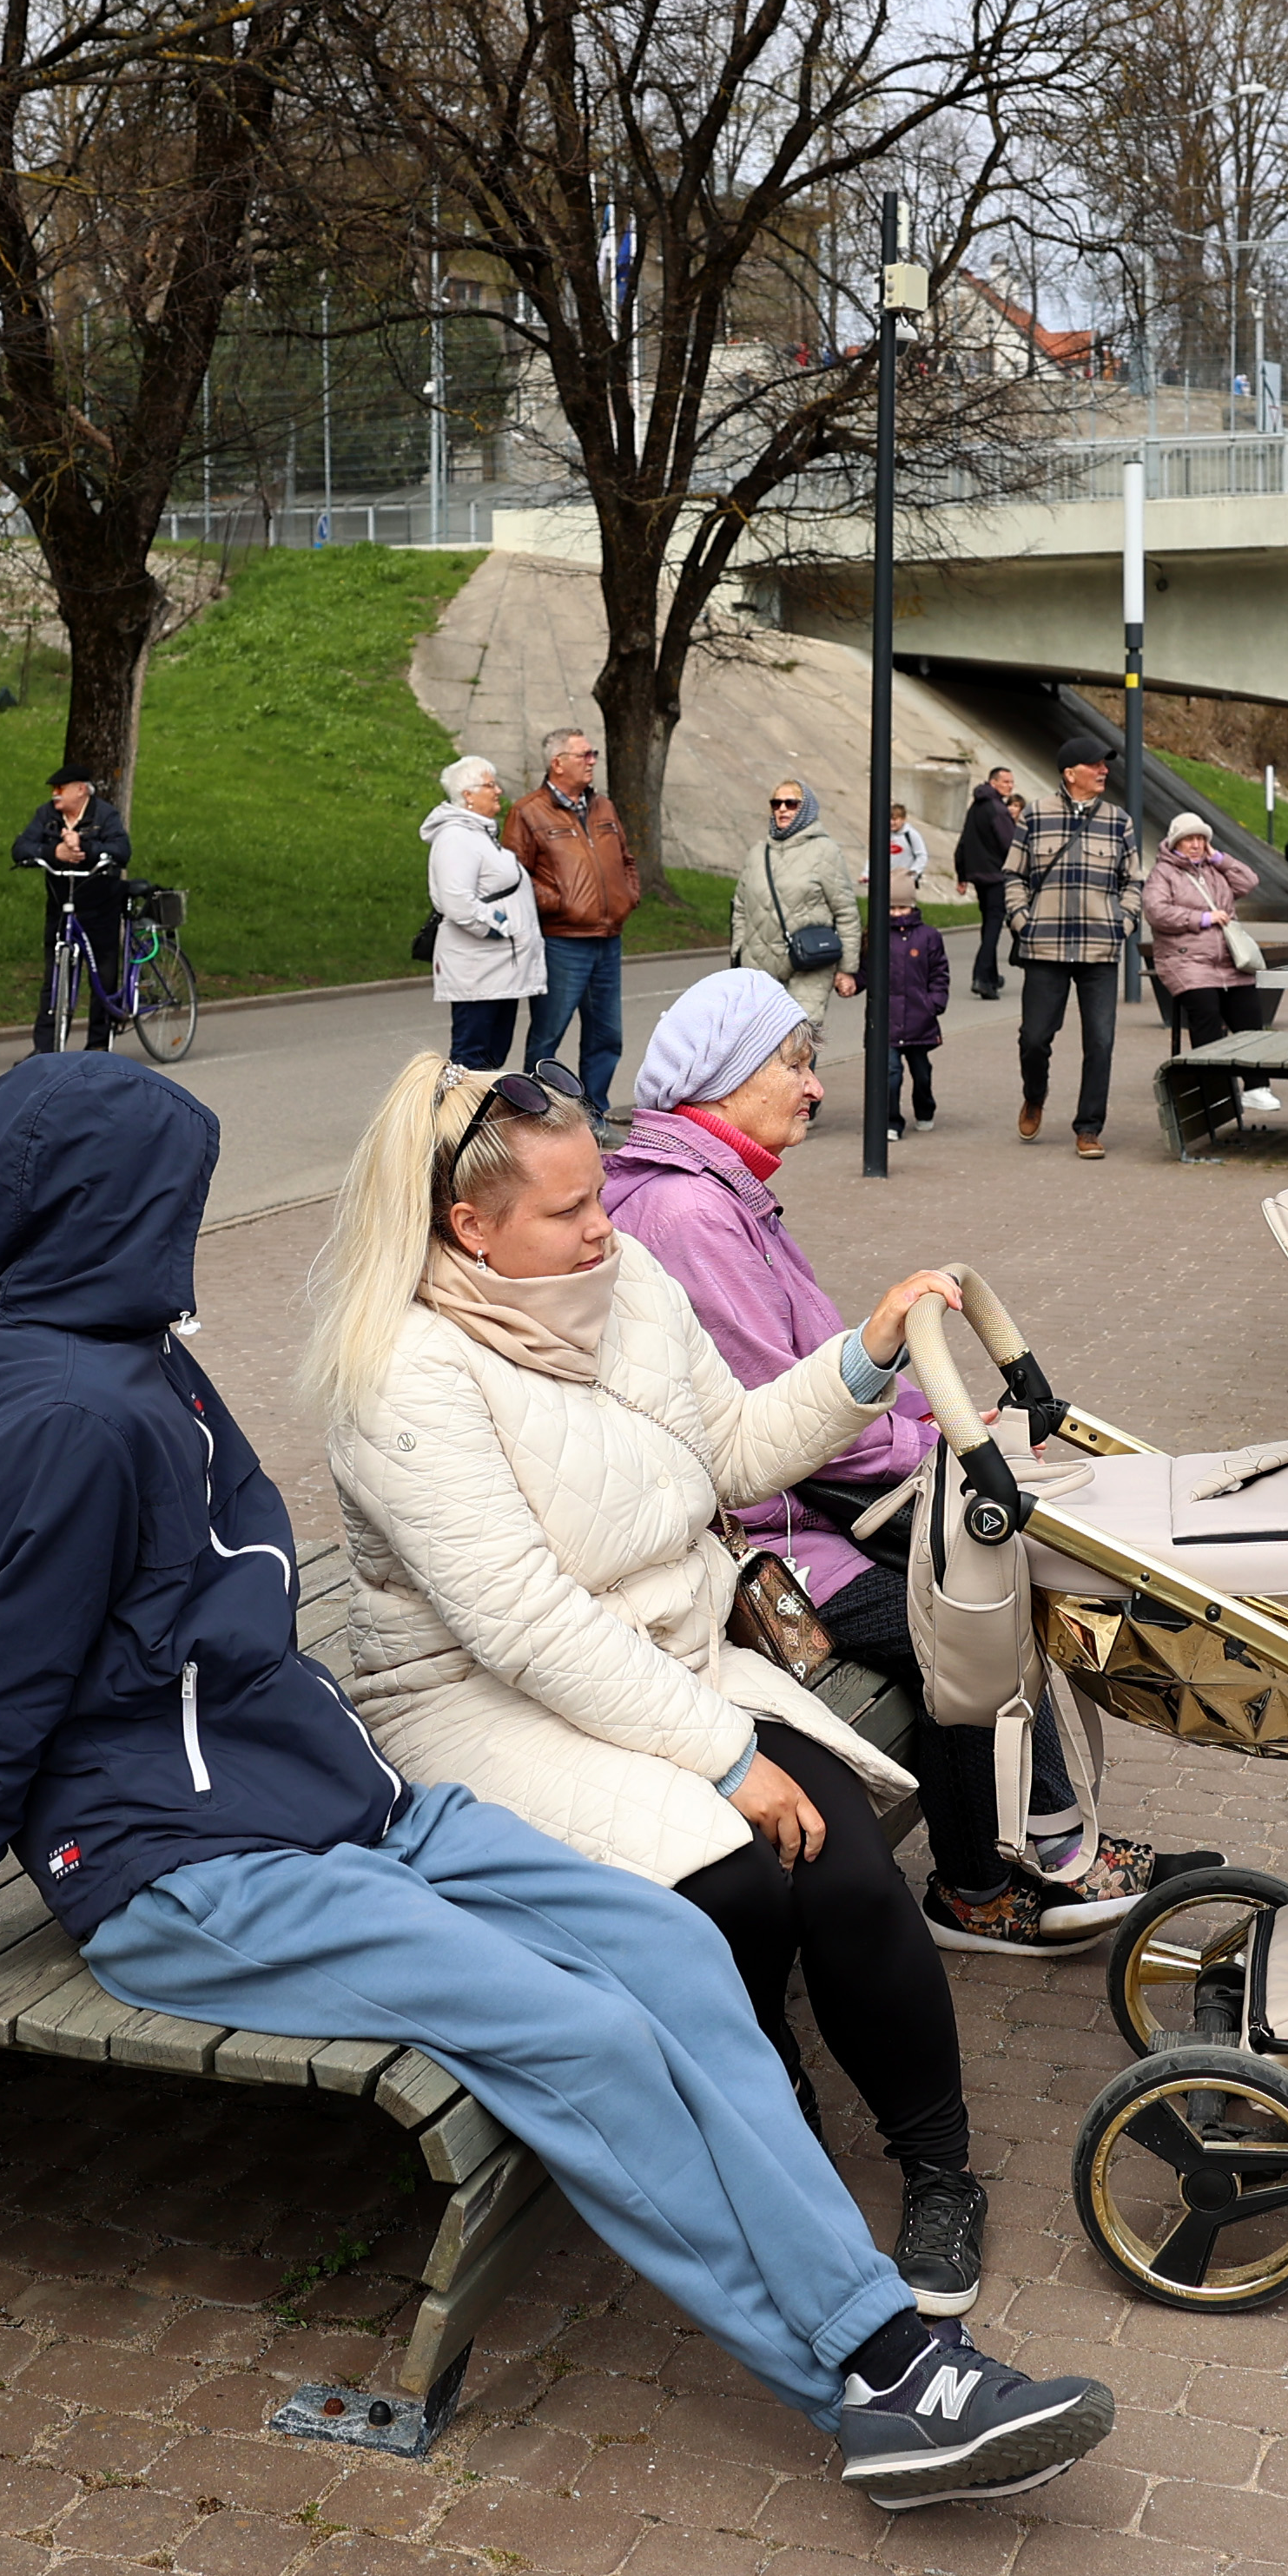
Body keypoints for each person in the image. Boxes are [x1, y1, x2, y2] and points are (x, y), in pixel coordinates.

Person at [0, 1054, 1116, 2509]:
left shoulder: (131, 1350)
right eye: (174, 1198)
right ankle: (878, 2376)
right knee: (580, 2031)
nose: (190, 1226)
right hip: (184, 1864)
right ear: (109, 1210)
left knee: (665, 1951)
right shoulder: (63, 1413)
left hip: (332, 1805)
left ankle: (875, 2332)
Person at [302, 1045, 1001, 2309]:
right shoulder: (401, 1370)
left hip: (663, 1658)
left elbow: (728, 1451)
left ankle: (940, 2170)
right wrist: (728, 1759)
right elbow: (520, 1623)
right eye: (567, 1211)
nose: (600, 1231)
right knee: (732, 1876)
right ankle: (769, 2124)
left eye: (596, 1196)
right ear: (468, 1227)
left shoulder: (628, 1283)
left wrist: (866, 1356)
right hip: (478, 1700)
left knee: (841, 1863)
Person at [599, 972, 1200, 1956]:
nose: (816, 1086)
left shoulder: (721, 1195)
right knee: (965, 1612)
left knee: (984, 1577)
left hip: (802, 1516)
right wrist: (938, 1444)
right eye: (794, 1064)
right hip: (768, 1545)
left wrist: (948, 1423)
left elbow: (818, 1371)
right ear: (724, 1076)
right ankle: (982, 1887)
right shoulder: (689, 1216)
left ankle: (1040, 1845)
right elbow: (775, 1421)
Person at [1007, 744, 1142, 1157]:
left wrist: (1125, 924)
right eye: (1095, 765)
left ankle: (1088, 1128)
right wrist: (1021, 921)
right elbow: (1013, 875)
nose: (1104, 771)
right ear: (1070, 773)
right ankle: (1035, 1095)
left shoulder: (1119, 821)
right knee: (1034, 1039)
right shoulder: (1035, 814)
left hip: (1100, 950)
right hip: (1044, 946)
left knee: (1100, 1042)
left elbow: (1134, 882)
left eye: (1106, 765)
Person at [505, 727, 638, 1113]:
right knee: (548, 1035)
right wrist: (560, 902)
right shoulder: (528, 811)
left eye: (593, 753)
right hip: (562, 941)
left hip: (608, 939)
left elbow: (626, 859)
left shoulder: (604, 808)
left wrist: (628, 896)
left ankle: (593, 1114)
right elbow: (513, 875)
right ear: (557, 762)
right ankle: (533, 1114)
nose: (593, 760)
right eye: (585, 755)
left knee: (606, 1035)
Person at [1140, 812, 1276, 1115]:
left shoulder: (1215, 871)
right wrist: (1201, 919)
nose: (1196, 844)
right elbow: (1156, 911)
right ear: (1176, 841)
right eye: (1189, 838)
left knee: (1250, 1013)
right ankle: (1215, 1089)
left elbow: (1249, 880)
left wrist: (1219, 858)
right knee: (1206, 1012)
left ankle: (1256, 1087)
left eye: (1201, 839)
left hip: (1228, 961)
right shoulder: (1163, 873)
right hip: (1185, 960)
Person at [424, 754, 546, 1071]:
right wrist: (502, 927)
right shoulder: (456, 837)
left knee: (489, 1057)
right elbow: (457, 902)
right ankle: (455, 1121)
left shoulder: (477, 835)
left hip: (496, 969)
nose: (498, 792)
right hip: (477, 970)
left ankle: (480, 1120)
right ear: (468, 794)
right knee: (470, 1061)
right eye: (490, 785)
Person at [731, 777, 863, 1051]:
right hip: (760, 964)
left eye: (791, 803)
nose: (782, 809)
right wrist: (738, 951)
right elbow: (740, 907)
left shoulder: (825, 851)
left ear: (805, 808)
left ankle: (806, 1095)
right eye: (776, 803)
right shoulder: (758, 853)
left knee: (797, 1044)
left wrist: (848, 969)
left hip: (810, 964)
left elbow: (846, 913)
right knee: (761, 1049)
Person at [14, 765, 132, 1045]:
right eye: (53, 791)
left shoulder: (104, 815)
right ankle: (46, 1049)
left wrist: (87, 849)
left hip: (100, 907)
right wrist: (53, 852)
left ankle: (99, 1046)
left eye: (60, 789)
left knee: (102, 977)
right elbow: (20, 848)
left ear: (80, 789)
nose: (54, 795)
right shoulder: (47, 816)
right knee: (53, 978)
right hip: (60, 905)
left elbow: (122, 850)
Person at [880, 891, 949, 1132]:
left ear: (912, 906)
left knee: (921, 1072)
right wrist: (853, 982)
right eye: (892, 909)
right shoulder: (879, 935)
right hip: (887, 1020)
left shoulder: (929, 937)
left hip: (920, 1019)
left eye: (902, 908)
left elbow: (939, 972)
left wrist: (935, 1003)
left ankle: (925, 1108)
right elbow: (867, 970)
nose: (897, 914)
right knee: (890, 1073)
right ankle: (891, 1121)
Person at [953, 766, 1022, 999]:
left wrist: (962, 874)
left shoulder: (976, 808)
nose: (1010, 786)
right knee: (993, 927)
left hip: (979, 876)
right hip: (996, 876)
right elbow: (1011, 845)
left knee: (988, 925)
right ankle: (982, 976)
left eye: (1011, 782)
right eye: (1005, 782)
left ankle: (991, 977)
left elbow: (964, 841)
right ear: (993, 783)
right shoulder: (998, 810)